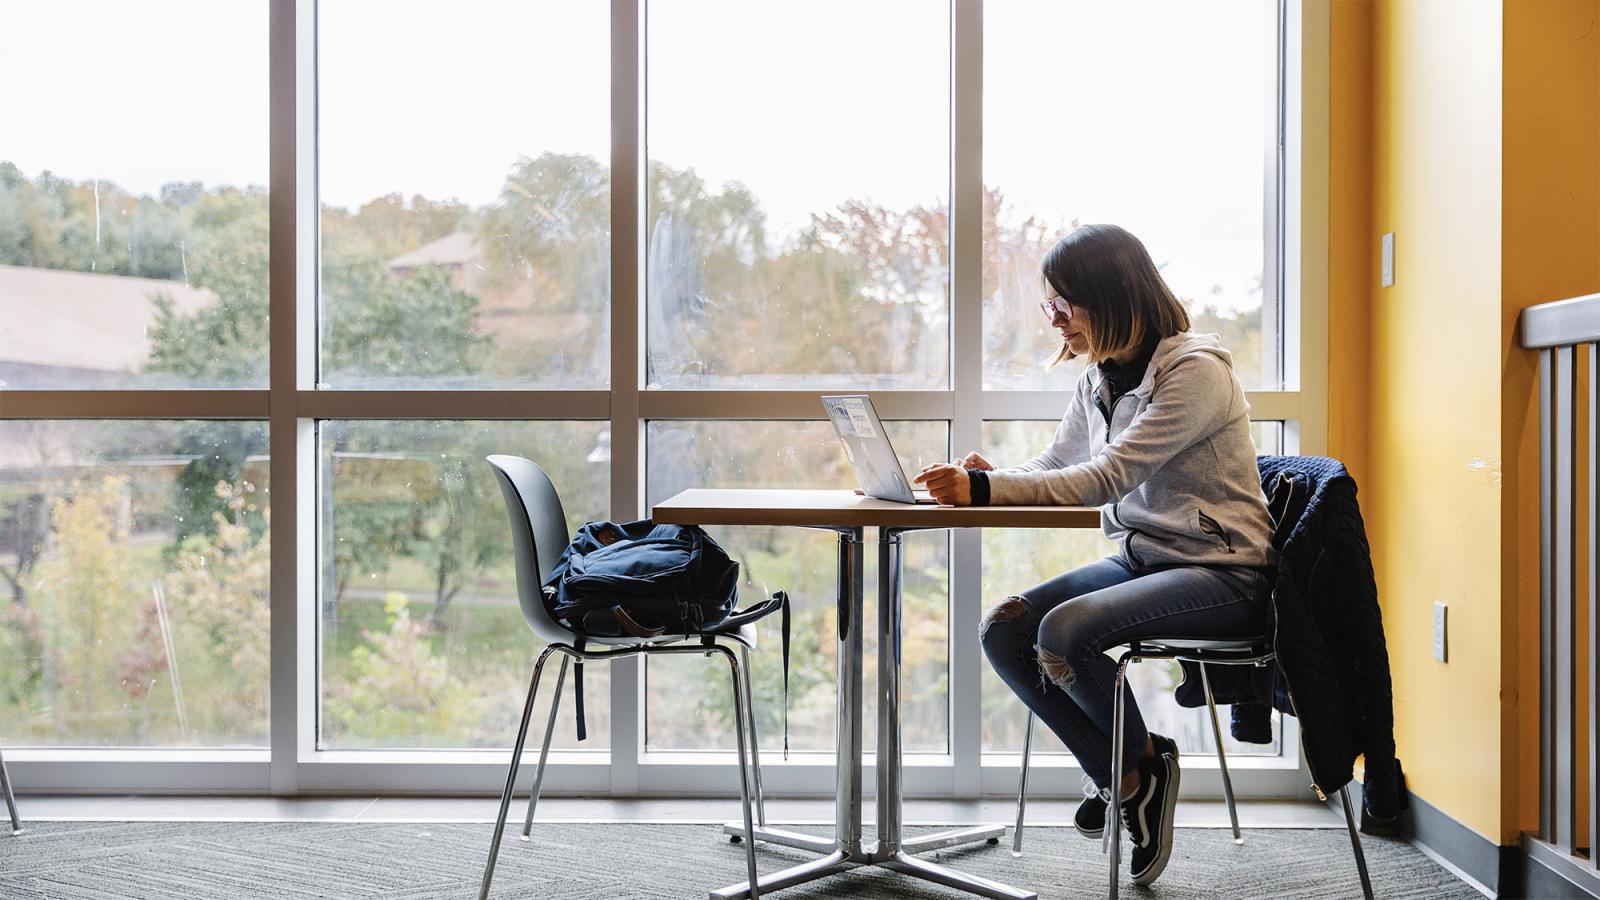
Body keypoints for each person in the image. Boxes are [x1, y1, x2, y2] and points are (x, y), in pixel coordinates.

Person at [913, 223, 1276, 886]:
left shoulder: (1194, 373)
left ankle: (1130, 774)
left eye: (1062, 306)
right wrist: (993, 475)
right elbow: (1058, 463)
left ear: (1110, 297)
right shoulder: (1100, 379)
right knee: (1004, 628)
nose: (1053, 321)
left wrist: (989, 491)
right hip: (1145, 559)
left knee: (1062, 631)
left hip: (1224, 574)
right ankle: (1135, 773)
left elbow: (1107, 477)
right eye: (1048, 307)